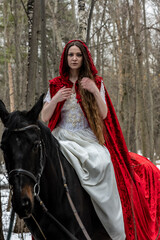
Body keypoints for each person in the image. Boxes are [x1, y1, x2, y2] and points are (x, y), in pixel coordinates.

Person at [41, 40, 160, 240]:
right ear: (65, 58)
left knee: (103, 162)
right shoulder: (56, 85)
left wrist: (94, 90)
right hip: (62, 136)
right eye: (71, 55)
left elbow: (105, 114)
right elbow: (44, 117)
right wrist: (56, 99)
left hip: (87, 138)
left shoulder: (95, 82)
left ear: (84, 58)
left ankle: (107, 219)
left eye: (78, 55)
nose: (74, 58)